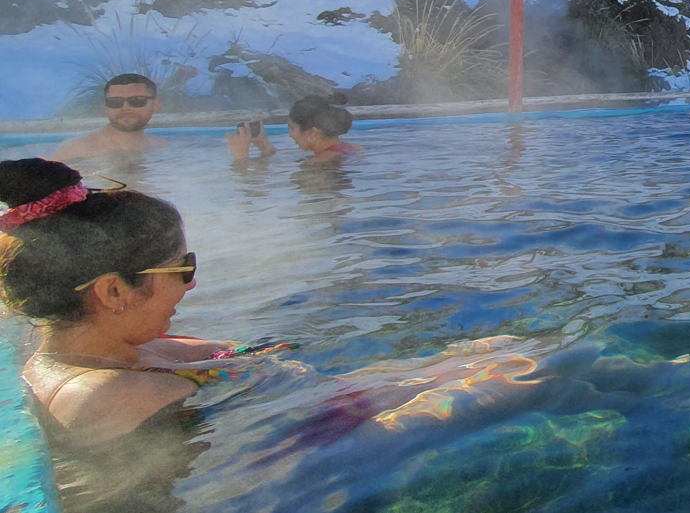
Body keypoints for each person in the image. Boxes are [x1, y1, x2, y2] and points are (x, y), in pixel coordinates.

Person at [0, 158, 539, 507]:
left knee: (497, 356)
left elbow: (261, 375)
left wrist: (422, 372)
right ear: (114, 293)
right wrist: (451, 392)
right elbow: (274, 467)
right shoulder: (114, 398)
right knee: (527, 376)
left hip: (319, 406)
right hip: (315, 454)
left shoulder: (112, 353)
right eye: (180, 269)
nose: (189, 285)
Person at [51, 75, 167, 160]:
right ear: (106, 107)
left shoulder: (158, 145)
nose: (125, 108)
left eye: (136, 101)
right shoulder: (77, 149)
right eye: (115, 102)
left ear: (156, 105)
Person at [229, 92, 361, 161]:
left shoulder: (318, 164)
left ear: (312, 133)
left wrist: (241, 158)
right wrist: (265, 146)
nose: (290, 135)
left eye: (292, 128)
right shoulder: (353, 149)